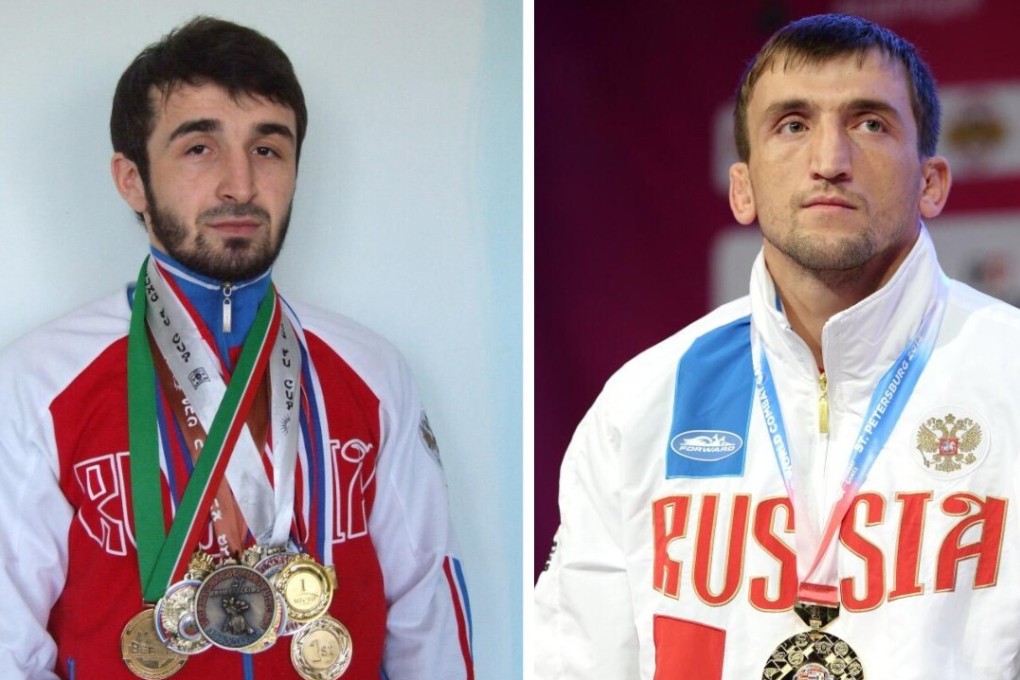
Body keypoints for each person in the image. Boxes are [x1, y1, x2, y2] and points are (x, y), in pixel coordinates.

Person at [535, 13, 1020, 680]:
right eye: (793, 125)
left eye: (869, 123)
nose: (830, 161)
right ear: (743, 188)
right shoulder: (641, 404)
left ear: (931, 182)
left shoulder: (1008, 373)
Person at [0, 17, 473, 680]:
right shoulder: (37, 382)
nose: (241, 185)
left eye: (268, 149)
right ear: (132, 179)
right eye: (200, 148)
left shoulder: (373, 371)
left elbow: (429, 612)